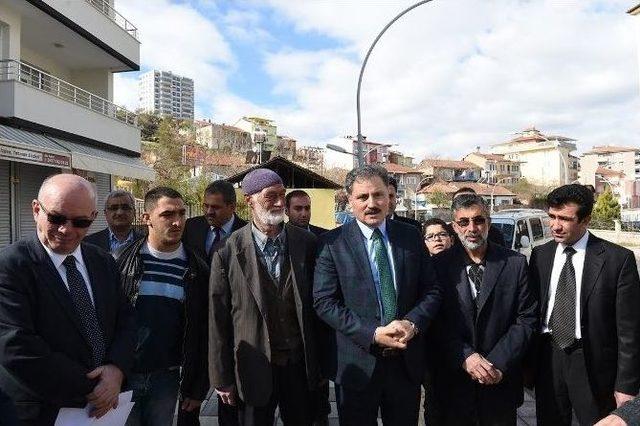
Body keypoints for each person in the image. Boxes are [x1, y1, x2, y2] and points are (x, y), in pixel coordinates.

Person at [0, 174, 136, 424]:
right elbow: (16, 345)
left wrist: (117, 370)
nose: (67, 230)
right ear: (35, 210)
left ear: (93, 218)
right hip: (39, 412)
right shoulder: (11, 266)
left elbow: (125, 321)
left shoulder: (103, 262)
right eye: (57, 218)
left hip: (103, 412)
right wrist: (95, 387)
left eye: (80, 222)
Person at [313, 165, 443, 425]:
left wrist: (412, 323)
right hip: (357, 364)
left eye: (378, 195)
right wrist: (372, 333)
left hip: (405, 363)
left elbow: (432, 290)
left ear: (389, 197)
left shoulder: (410, 236)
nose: (371, 204)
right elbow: (324, 302)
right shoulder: (331, 243)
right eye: (362, 197)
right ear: (350, 201)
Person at [209, 169, 321, 426]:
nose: (281, 203)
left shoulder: (307, 243)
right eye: (271, 196)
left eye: (282, 195)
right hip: (253, 367)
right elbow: (218, 320)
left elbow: (318, 308)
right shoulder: (226, 251)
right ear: (249, 199)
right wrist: (222, 377)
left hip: (298, 367)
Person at [529, 184, 640, 425]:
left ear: (586, 219)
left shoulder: (617, 260)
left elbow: (629, 331)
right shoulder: (540, 255)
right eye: (552, 216)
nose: (555, 226)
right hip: (548, 359)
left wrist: (626, 386)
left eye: (565, 219)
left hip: (593, 364)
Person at [431, 194, 537, 425]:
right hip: (454, 382)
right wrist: (466, 356)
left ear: (488, 222)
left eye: (479, 220)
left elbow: (526, 319)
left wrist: (497, 363)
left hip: (499, 380)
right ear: (454, 227)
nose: (472, 228)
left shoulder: (514, 263)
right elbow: (436, 322)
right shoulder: (438, 266)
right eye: (464, 222)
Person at [115, 187, 210, 426]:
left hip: (168, 378)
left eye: (181, 213)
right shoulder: (120, 262)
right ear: (146, 218)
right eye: (168, 214)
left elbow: (205, 331)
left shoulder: (198, 268)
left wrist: (198, 385)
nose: (177, 222)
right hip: (124, 376)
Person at [284, 188, 331, 426]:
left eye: (307, 208)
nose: (304, 214)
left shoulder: (324, 239)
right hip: (291, 331)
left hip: (319, 324)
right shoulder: (281, 240)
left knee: (319, 402)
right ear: (286, 211)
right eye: (298, 209)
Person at [182, 180, 248, 264]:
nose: (209, 212)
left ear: (232, 207)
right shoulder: (191, 226)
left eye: (215, 207)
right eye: (206, 206)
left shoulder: (247, 232)